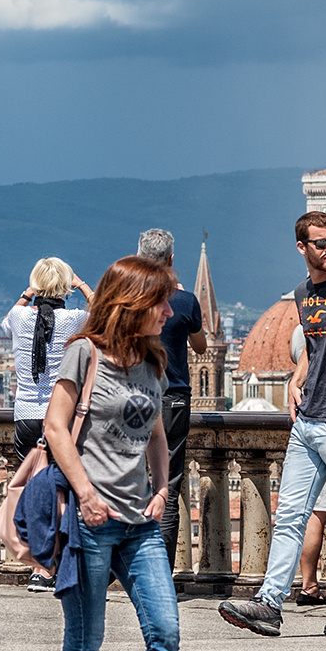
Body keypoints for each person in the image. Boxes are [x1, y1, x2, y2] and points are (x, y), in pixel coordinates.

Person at [45, 255, 209, 651]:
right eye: (160, 301)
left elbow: (158, 433)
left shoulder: (154, 361)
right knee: (85, 643)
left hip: (140, 521)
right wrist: (87, 494)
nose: (169, 311)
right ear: (131, 303)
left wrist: (162, 488)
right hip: (90, 521)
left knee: (165, 632)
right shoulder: (84, 354)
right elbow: (55, 427)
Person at [218, 211, 326, 638]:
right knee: (290, 514)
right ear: (302, 248)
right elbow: (315, 347)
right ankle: (269, 603)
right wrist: (297, 380)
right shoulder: (303, 294)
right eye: (321, 243)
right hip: (308, 420)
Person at [136, 229, 206, 568]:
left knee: (129, 480)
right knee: (168, 485)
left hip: (131, 394)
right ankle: (159, 572)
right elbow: (202, 347)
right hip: (173, 396)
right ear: (172, 260)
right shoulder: (185, 302)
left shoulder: (127, 299)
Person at [3, 257, 91, 460]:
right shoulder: (75, 320)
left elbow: (6, 324)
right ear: (65, 286)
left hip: (26, 414)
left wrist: (28, 292)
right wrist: (82, 285)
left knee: (30, 482)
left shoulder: (18, 316)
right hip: (62, 415)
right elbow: (107, 315)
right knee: (63, 483)